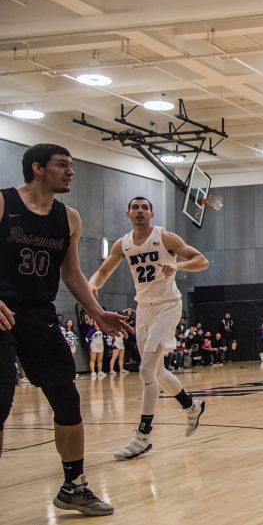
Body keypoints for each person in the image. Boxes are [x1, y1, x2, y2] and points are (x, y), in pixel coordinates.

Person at [0, 144, 133, 516]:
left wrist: (97, 311)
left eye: (71, 165)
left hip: (40, 314)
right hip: (3, 311)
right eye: (62, 165)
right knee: (1, 399)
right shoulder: (3, 204)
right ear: (38, 168)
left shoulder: (69, 218)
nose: (70, 171)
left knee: (67, 399)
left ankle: (74, 485)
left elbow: (71, 273)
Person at [89, 196, 208, 461]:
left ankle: (142, 437)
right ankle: (191, 406)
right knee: (157, 370)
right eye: (135, 207)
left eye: (145, 208)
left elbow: (201, 261)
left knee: (145, 369)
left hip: (167, 305)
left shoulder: (165, 237)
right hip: (143, 308)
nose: (140, 211)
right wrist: (92, 285)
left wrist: (176, 264)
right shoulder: (124, 244)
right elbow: (103, 271)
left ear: (152, 213)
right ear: (128, 213)